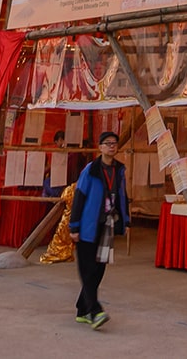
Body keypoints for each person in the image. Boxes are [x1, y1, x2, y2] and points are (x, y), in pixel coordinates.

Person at [69, 129, 128, 329]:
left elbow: (121, 196)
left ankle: (82, 309)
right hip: (87, 226)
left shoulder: (119, 170)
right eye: (107, 143)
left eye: (114, 143)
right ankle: (95, 311)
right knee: (87, 270)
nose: (112, 146)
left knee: (98, 270)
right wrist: (74, 226)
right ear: (100, 147)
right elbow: (79, 198)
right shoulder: (91, 170)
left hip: (106, 226)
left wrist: (125, 220)